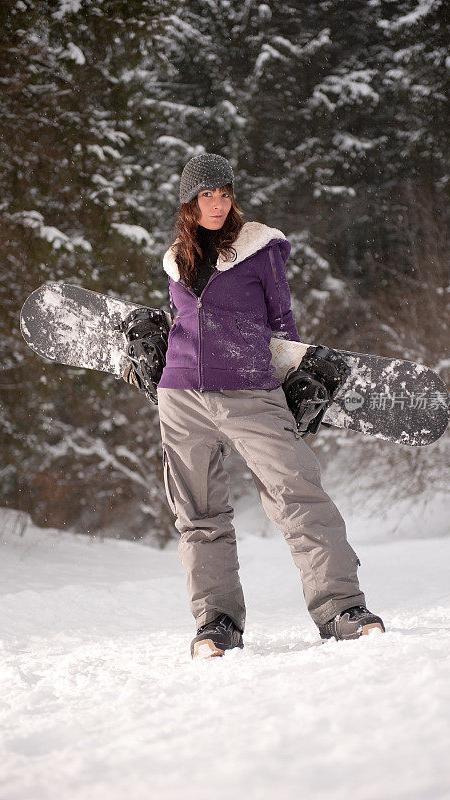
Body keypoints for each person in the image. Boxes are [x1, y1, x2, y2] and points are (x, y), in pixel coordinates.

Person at [149, 153, 384, 658]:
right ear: (188, 203)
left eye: (224, 193)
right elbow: (181, 323)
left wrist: (295, 377)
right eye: (206, 196)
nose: (217, 204)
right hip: (181, 397)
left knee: (298, 494)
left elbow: (283, 322)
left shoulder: (260, 248)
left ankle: (341, 607)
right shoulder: (177, 259)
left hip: (251, 390)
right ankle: (217, 622)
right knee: (198, 514)